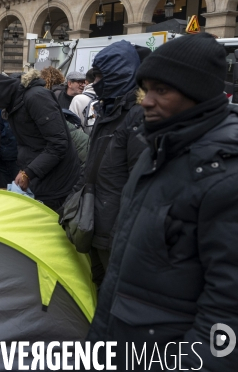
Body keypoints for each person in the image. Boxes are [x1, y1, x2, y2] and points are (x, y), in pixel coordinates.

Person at [87, 33, 238, 370]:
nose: (146, 100)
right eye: (146, 88)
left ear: (196, 95)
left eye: (162, 90)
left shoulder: (225, 175)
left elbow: (226, 315)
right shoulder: (157, 151)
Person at [77, 40, 146, 286]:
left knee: (113, 293)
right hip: (96, 221)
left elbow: (140, 181)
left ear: (118, 75)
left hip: (114, 231)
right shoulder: (109, 109)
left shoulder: (137, 115)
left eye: (99, 77)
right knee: (98, 287)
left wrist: (120, 232)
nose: (94, 83)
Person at [0, 70, 80, 212]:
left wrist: (29, 172)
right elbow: (31, 144)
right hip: (41, 177)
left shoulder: (36, 97)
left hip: (57, 182)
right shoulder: (14, 103)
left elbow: (58, 144)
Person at [40, 67, 89, 168]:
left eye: (83, 82)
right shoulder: (56, 96)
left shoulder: (83, 99)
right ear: (70, 84)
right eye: (78, 82)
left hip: (78, 143)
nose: (82, 85)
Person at [69, 68, 98, 133]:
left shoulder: (78, 99)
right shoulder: (110, 97)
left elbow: (73, 126)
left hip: (84, 140)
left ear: (86, 82)